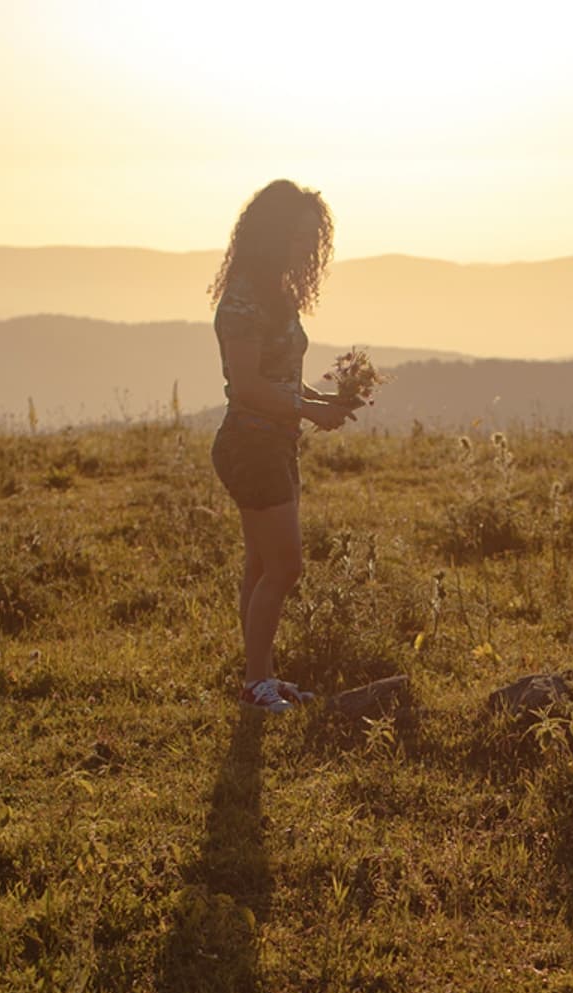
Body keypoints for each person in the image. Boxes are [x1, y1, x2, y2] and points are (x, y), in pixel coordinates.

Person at [210, 180, 359, 713]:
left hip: (274, 443)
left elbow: (280, 379)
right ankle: (256, 683)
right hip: (252, 445)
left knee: (261, 564)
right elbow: (247, 386)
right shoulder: (246, 300)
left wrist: (325, 400)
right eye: (296, 238)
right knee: (285, 566)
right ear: (272, 236)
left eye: (309, 239)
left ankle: (261, 678)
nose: (304, 249)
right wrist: (309, 410)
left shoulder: (273, 292)